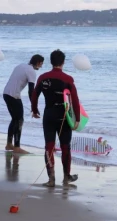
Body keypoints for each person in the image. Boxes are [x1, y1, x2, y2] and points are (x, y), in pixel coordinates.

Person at [31, 49, 80, 187]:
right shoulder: (68, 79)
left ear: (51, 62)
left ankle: (51, 178)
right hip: (64, 116)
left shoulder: (42, 77)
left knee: (49, 146)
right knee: (65, 147)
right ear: (63, 62)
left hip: (49, 115)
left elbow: (35, 95)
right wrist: (77, 119)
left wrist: (34, 110)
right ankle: (66, 177)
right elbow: (75, 100)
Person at [3, 54, 44, 154]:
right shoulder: (31, 72)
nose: (41, 66)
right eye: (41, 64)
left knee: (15, 119)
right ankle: (17, 147)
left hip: (6, 93)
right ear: (38, 63)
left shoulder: (20, 66)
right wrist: (34, 107)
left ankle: (9, 144)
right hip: (14, 96)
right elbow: (31, 91)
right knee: (19, 120)